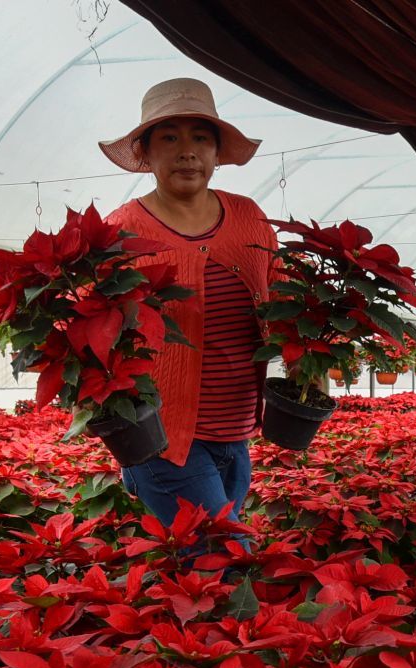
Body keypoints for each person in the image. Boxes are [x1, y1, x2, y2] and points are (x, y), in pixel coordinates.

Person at [100, 79, 278, 535]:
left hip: (236, 430)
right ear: (146, 153)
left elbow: (281, 297)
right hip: (160, 433)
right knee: (223, 552)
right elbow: (90, 319)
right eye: (169, 137)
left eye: (201, 137)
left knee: (204, 567)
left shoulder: (249, 218)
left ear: (217, 153)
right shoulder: (120, 229)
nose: (187, 151)